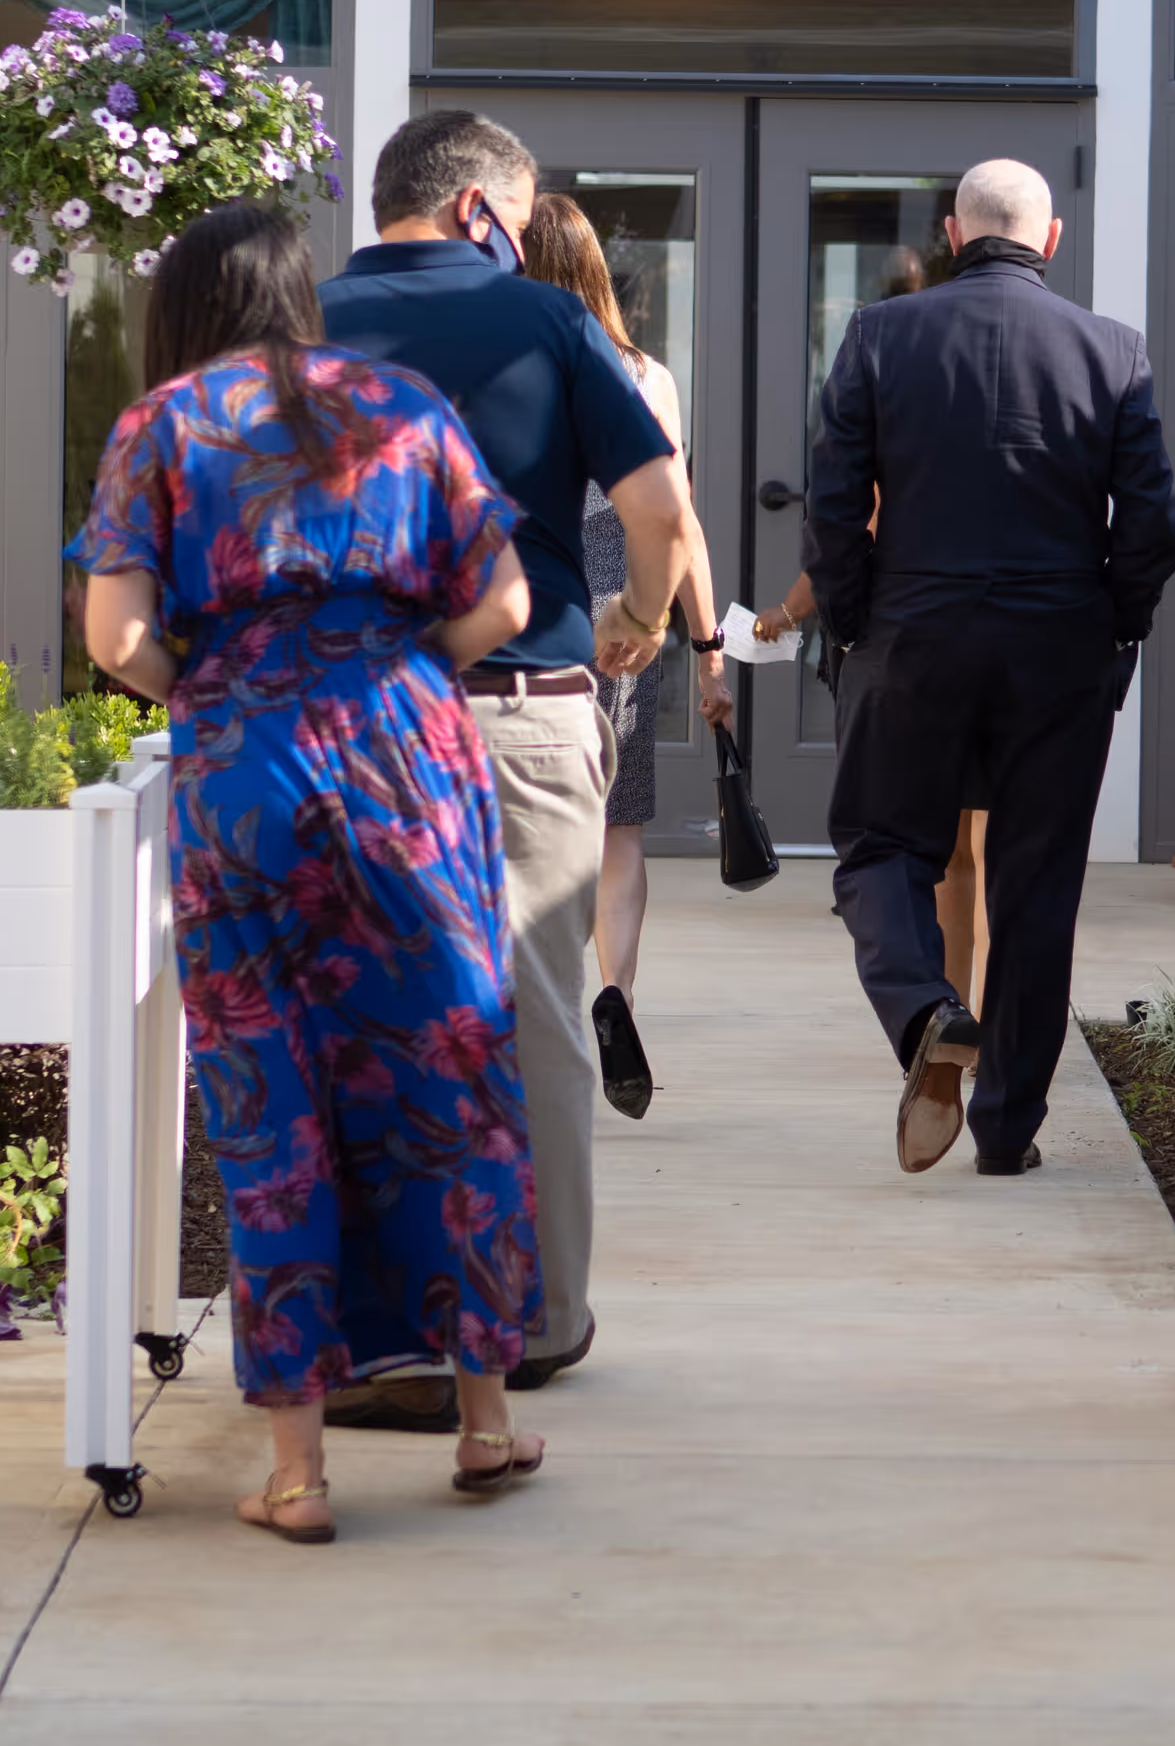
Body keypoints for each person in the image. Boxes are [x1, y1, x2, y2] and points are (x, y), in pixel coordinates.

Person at [71, 204, 545, 1543]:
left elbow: (117, 634)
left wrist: (217, 692)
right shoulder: (402, 404)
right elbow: (505, 604)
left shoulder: (162, 424)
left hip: (242, 770)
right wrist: (390, 675)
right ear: (301, 293)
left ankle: (299, 1473)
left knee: (268, 1096)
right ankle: (488, 1428)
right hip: (409, 760)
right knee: (450, 1067)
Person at [319, 113, 690, 1424]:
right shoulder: (546, 325)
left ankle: (384, 1331)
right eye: (523, 218)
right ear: (482, 207)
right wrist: (642, 620)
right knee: (536, 1008)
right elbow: (658, 512)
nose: (527, 238)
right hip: (521, 707)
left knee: (367, 1019)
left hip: (348, 722)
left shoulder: (297, 322)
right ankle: (537, 1323)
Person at [804, 156, 1175, 1178]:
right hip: (1059, 646)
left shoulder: (881, 334)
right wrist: (1114, 629)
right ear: (1050, 241)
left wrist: (852, 628)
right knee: (1037, 884)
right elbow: (1152, 528)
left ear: (951, 233)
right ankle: (1007, 1131)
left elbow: (833, 506)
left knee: (881, 849)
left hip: (914, 634)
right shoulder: (1114, 350)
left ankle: (928, 1009)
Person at [522, 193, 734, 1090]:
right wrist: (709, 647)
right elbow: (677, 524)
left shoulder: (509, 366)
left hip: (533, 614)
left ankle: (547, 1015)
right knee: (618, 833)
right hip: (626, 623)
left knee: (531, 835)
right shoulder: (648, 377)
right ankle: (617, 997)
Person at [756, 578, 988, 1012]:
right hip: (1009, 635)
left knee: (957, 857)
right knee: (983, 856)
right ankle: (985, 1039)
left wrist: (803, 614)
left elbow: (852, 536)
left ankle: (952, 1037)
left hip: (926, 641)